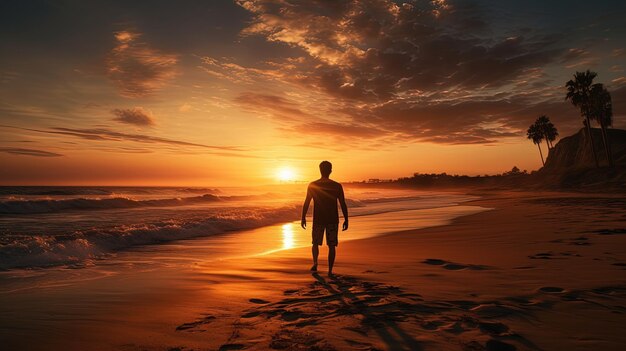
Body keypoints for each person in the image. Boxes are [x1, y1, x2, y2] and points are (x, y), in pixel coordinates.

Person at [301, 161, 349, 276]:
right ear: (331, 170)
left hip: (318, 219)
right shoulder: (337, 186)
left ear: (320, 170)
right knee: (332, 245)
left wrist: (303, 217)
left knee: (315, 243)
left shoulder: (313, 185)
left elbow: (307, 202)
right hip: (332, 219)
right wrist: (346, 219)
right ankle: (330, 270)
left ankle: (315, 263)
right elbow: (343, 203)